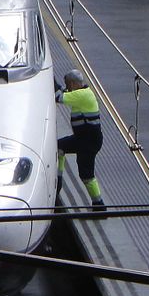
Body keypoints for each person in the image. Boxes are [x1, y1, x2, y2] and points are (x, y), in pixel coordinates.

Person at [56, 69, 106, 214]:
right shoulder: (81, 93)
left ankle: (99, 204)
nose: (67, 87)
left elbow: (59, 97)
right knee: (60, 147)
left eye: (68, 84)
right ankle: (58, 180)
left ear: (73, 83)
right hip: (82, 139)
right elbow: (64, 92)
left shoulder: (82, 95)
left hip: (88, 142)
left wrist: (52, 82)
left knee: (87, 175)